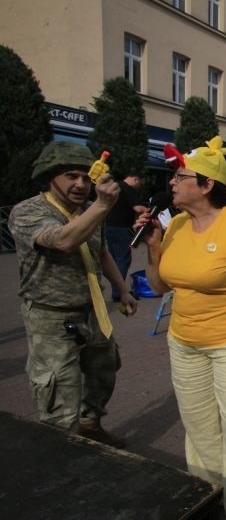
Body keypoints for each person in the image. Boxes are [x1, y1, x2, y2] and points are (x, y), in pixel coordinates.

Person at [138, 136, 226, 520]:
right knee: (199, 431)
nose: (172, 182)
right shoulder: (177, 226)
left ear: (206, 185)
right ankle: (204, 501)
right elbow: (159, 286)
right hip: (184, 343)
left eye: (180, 175)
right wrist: (153, 248)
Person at [8, 141, 139, 448]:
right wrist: (102, 205)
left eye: (84, 177)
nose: (80, 184)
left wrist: (123, 290)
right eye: (70, 176)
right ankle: (59, 451)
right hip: (51, 316)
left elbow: (101, 252)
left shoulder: (87, 212)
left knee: (103, 370)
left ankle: (90, 425)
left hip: (91, 310)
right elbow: (64, 241)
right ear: (50, 176)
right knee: (59, 389)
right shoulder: (28, 211)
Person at [105, 172, 146, 301]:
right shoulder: (128, 189)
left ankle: (116, 290)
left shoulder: (115, 186)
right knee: (123, 261)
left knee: (113, 261)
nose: (140, 186)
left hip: (108, 227)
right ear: (135, 178)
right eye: (140, 183)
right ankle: (119, 292)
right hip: (122, 229)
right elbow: (139, 208)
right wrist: (149, 210)